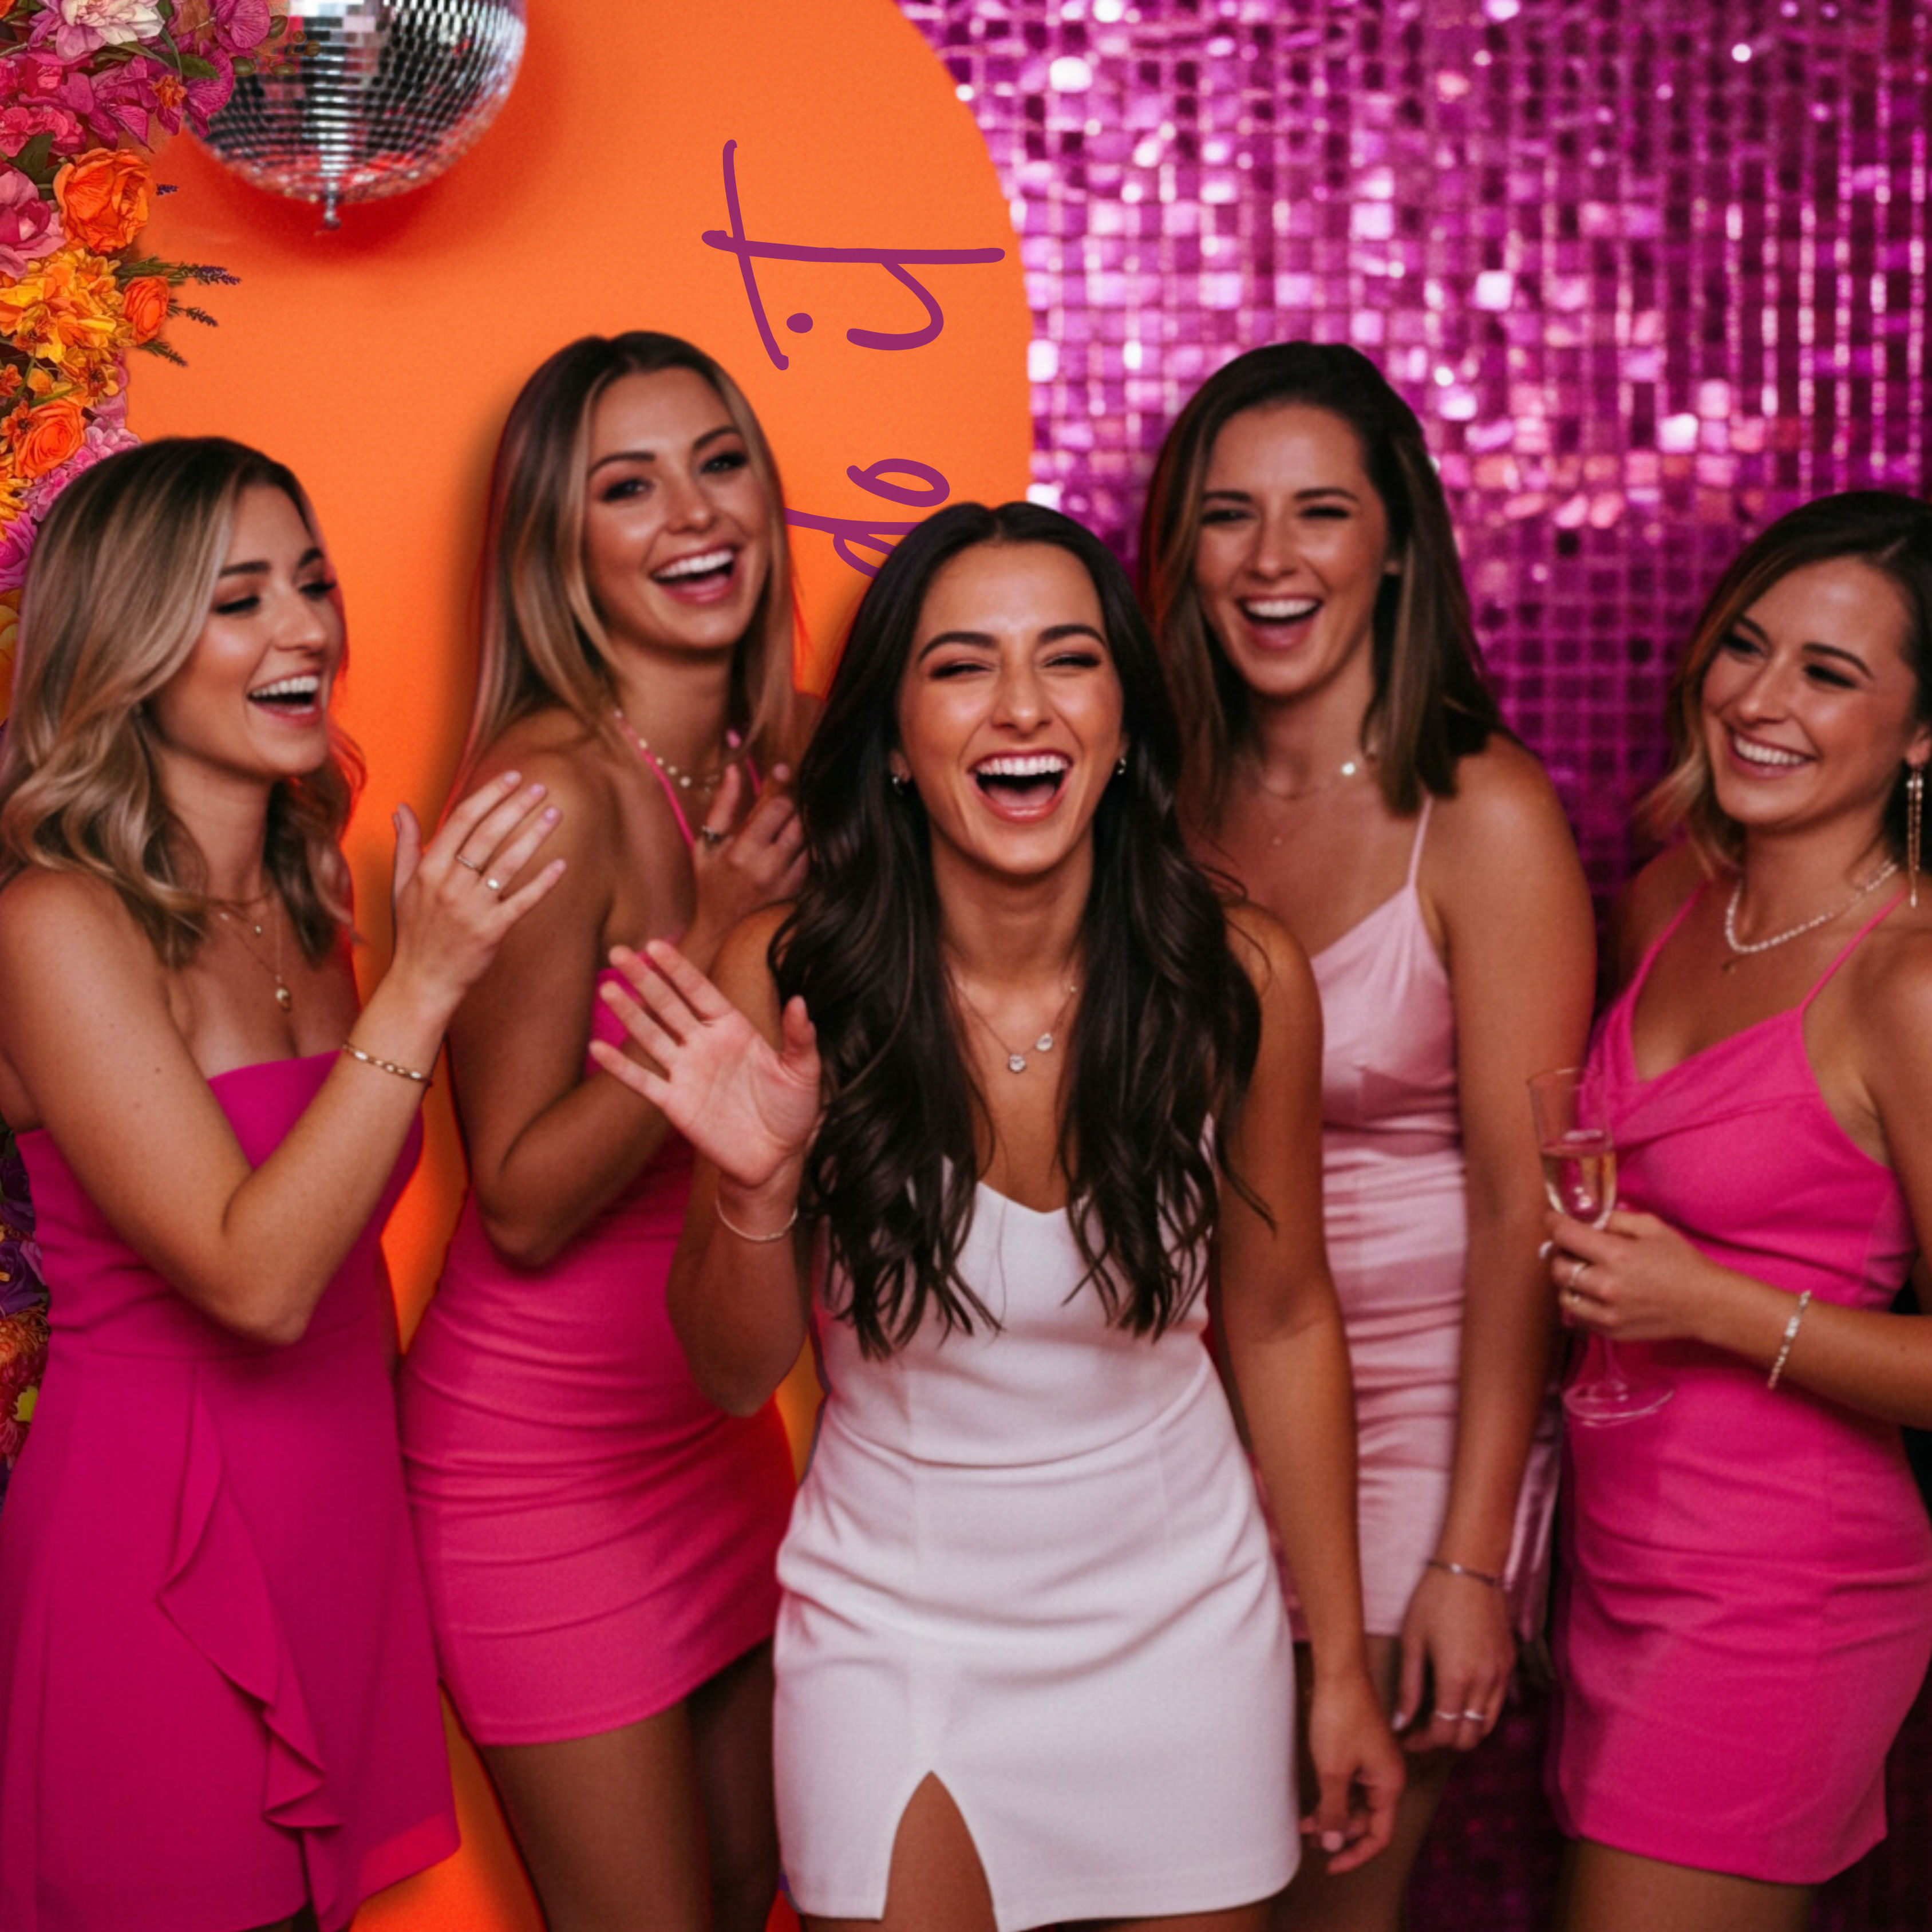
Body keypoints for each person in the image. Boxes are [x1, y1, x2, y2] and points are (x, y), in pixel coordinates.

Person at [592, 499, 1404, 1932]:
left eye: (1067, 658)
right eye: (962, 664)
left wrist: (1334, 1661)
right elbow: (729, 1373)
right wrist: (754, 1185)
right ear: (894, 742)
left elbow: (1282, 1320)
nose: (1021, 705)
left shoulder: (1238, 979)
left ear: (1124, 722)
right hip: (894, 1633)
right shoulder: (789, 974)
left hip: (1183, 1630)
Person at [0, 437, 564, 1931]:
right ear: (126, 642)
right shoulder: (55, 921)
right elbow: (253, 1277)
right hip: (155, 1557)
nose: (308, 627)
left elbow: (348, 1246)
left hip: (333, 1528)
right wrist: (426, 985)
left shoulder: (308, 891)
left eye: (311, 581)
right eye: (240, 598)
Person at [1140, 342, 1596, 1931]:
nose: (1271, 560)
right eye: (1228, 515)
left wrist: (1470, 1557)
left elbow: (1524, 1210)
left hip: (1413, 1439)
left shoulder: (1484, 815)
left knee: (1320, 1900)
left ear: (1395, 542)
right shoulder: (1151, 796)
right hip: (1181, 1426)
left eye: (1319, 512)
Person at [397, 332, 807, 1932]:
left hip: (713, 1425)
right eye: (627, 487)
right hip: (539, 1469)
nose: (693, 515)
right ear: (557, 545)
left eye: (718, 462)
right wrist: (712, 938)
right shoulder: (550, 796)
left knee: (751, 1890)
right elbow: (514, 1197)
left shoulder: (779, 758)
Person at [1543, 492, 1932, 1932]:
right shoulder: (1666, 901)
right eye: (1746, 647)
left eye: (1827, 674)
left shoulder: (1906, 984)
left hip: (1781, 1590)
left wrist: (1712, 1304)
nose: (1759, 701)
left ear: (1919, 734)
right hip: (1614, 1549)